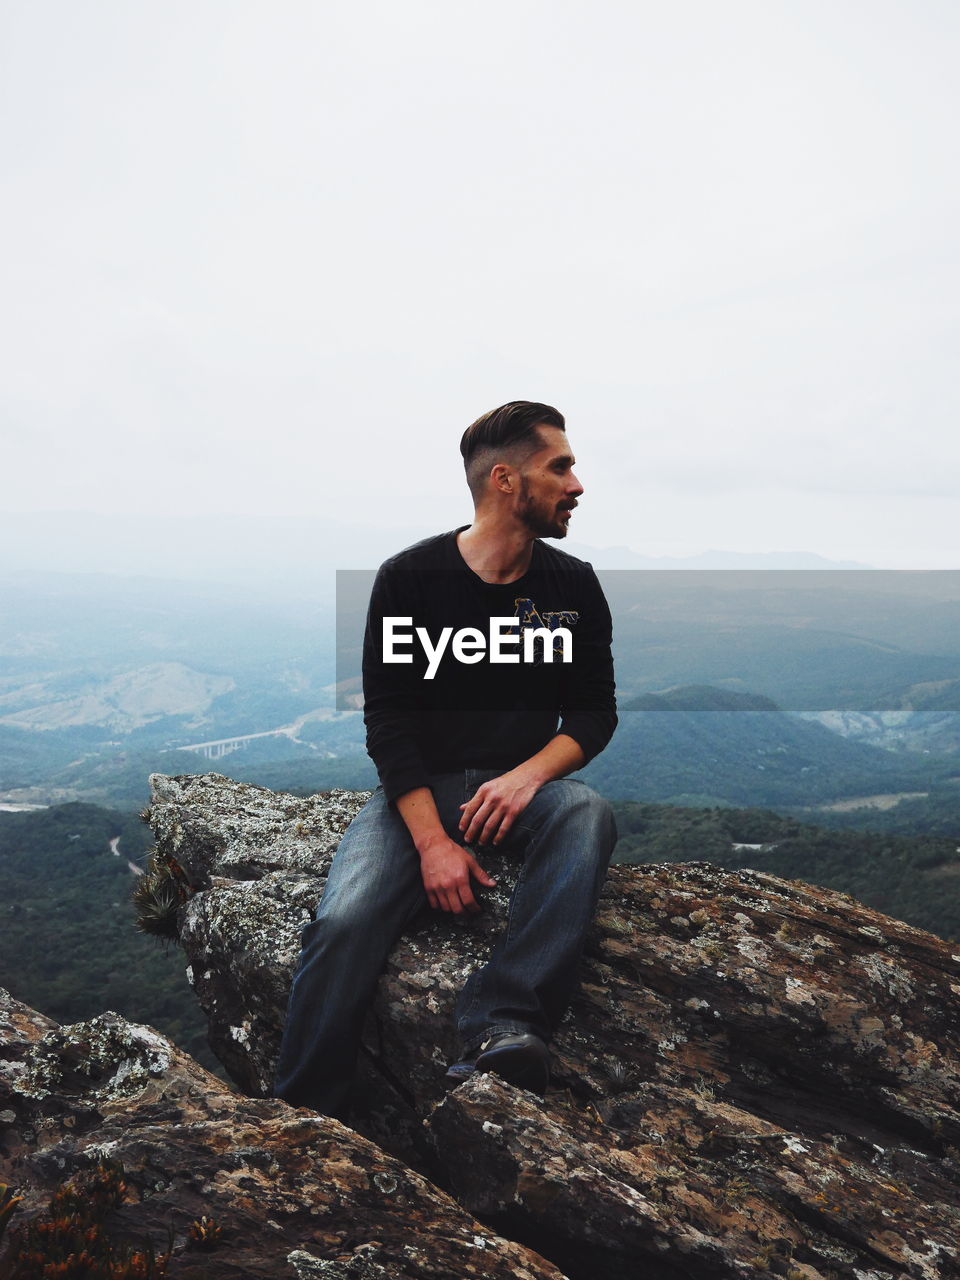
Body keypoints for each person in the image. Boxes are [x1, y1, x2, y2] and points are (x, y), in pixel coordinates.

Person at [274, 401, 618, 1117]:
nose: (577, 484)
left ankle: (505, 1023)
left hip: (520, 793)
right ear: (504, 481)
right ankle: (303, 1111)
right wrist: (432, 843)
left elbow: (593, 712)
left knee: (585, 811)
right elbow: (389, 721)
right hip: (420, 795)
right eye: (560, 467)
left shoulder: (572, 585)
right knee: (344, 922)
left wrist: (527, 777)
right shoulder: (411, 579)